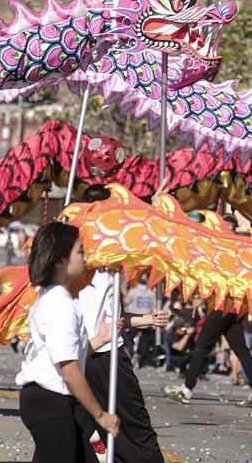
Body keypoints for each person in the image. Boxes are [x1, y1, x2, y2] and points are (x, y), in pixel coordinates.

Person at [74, 180, 169, 463]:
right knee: (91, 433)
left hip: (104, 356)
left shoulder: (110, 266)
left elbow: (112, 319)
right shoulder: (77, 264)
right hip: (89, 358)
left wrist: (148, 319)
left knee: (130, 428)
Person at [16, 221, 120, 462]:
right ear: (61, 261)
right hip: (49, 402)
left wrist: (102, 337)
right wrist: (101, 415)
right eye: (80, 251)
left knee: (94, 457)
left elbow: (73, 355)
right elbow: (69, 371)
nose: (86, 257)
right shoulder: (59, 304)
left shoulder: (59, 298)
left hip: (62, 404)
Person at [162, 309, 252, 407]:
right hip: (234, 309)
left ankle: (186, 390)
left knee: (202, 347)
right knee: (241, 349)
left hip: (222, 307)